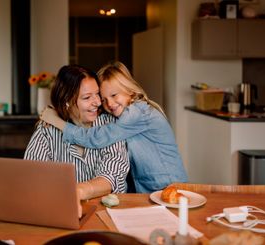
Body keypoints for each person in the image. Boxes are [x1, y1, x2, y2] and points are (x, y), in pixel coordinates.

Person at [41, 61, 187, 193]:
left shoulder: (137, 113)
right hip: (149, 189)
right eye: (103, 99)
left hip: (169, 188)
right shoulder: (121, 114)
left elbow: (96, 138)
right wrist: (61, 110)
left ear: (130, 90)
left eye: (114, 95)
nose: (109, 104)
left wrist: (56, 120)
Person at [24, 65, 130, 214]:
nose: (98, 102)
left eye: (97, 94)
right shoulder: (47, 130)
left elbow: (111, 177)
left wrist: (77, 191)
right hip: (59, 211)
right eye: (87, 97)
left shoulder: (110, 125)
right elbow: (32, 175)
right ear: (67, 101)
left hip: (108, 213)